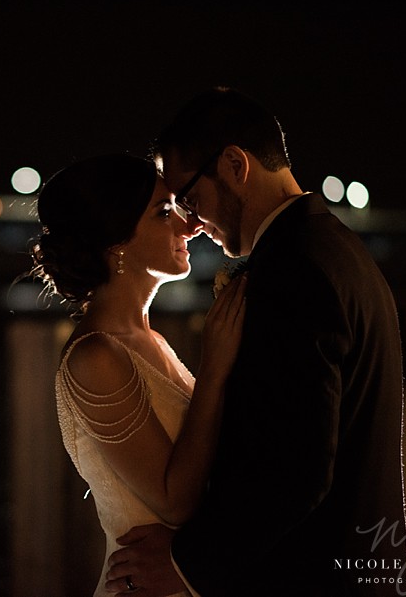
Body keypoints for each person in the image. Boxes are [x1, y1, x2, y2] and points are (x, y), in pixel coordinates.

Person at [104, 86, 406, 596]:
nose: (191, 223)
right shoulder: (333, 248)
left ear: (234, 164)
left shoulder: (294, 271)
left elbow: (295, 469)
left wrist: (187, 564)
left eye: (191, 199)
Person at [27, 153, 247, 597]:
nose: (190, 226)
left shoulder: (151, 340)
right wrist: (215, 366)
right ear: (116, 242)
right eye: (165, 213)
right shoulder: (95, 357)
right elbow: (174, 501)